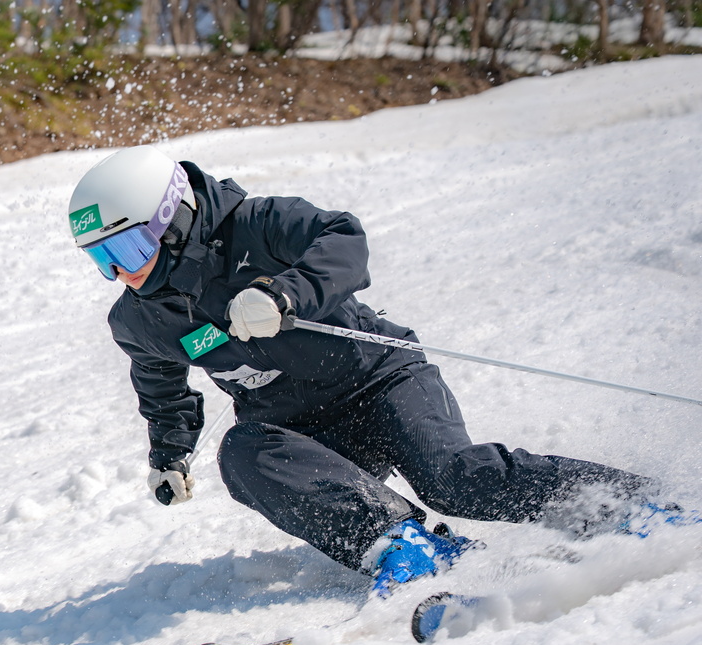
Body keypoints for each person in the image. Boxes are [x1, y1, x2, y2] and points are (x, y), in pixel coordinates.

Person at [67, 145, 665, 597]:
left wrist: (285, 295)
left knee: (452, 478)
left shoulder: (257, 224)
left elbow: (343, 238)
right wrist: (169, 456)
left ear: (173, 221)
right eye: (103, 261)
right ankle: (404, 545)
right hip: (309, 434)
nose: (123, 274)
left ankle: (628, 507)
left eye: (129, 251)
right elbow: (160, 386)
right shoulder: (140, 318)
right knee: (243, 453)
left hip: (380, 380)